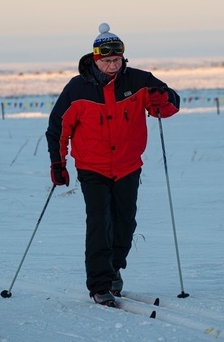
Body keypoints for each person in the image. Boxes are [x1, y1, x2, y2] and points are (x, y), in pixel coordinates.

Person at [45, 23, 180, 307]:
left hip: (128, 166)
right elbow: (58, 128)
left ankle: (114, 268)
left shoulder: (140, 80)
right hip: (92, 168)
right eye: (106, 60)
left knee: (125, 224)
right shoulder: (77, 88)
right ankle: (100, 285)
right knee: (99, 223)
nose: (112, 65)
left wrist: (161, 98)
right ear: (96, 59)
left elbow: (170, 106)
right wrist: (59, 164)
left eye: (116, 60)